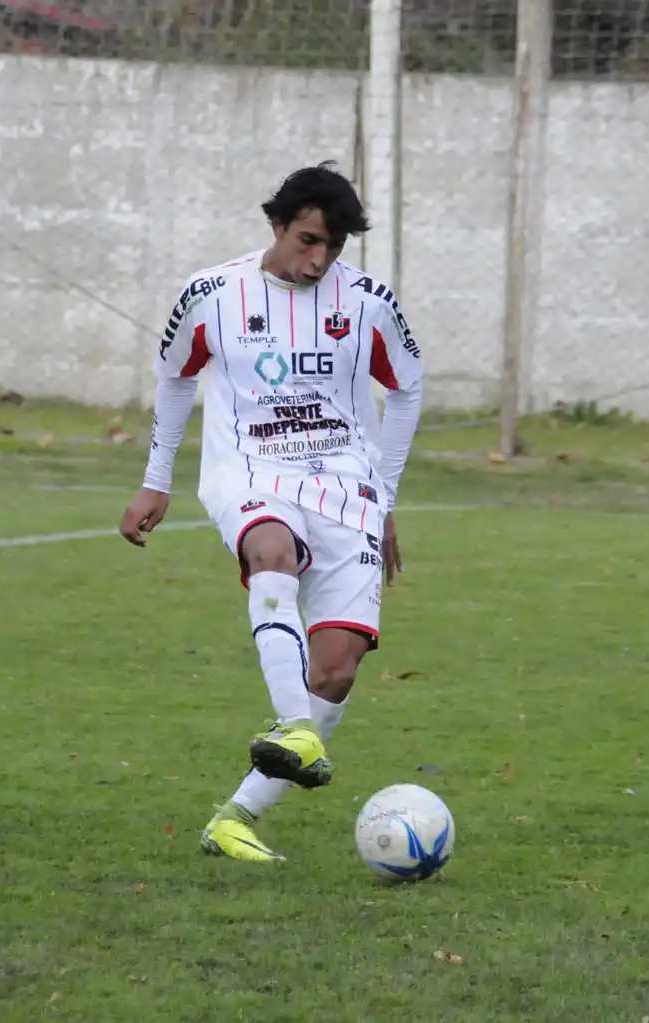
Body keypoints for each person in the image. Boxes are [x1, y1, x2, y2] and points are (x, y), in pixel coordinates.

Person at [119, 162, 424, 862]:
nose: (319, 259)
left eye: (334, 246)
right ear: (278, 225)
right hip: (251, 471)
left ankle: (235, 815)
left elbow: (407, 388)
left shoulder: (369, 301)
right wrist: (155, 481)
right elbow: (174, 378)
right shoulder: (212, 293)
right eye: (309, 239)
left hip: (347, 485)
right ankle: (294, 724)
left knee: (338, 671)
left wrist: (385, 495)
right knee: (270, 550)